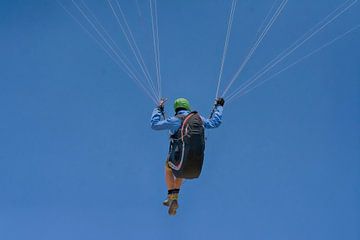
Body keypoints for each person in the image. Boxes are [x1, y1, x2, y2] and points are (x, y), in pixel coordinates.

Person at [150, 97, 225, 216]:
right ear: (188, 107)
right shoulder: (198, 119)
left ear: (176, 109)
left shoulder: (175, 120)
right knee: (181, 167)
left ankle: (171, 196)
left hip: (179, 160)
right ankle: (174, 196)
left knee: (168, 166)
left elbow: (154, 125)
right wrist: (219, 106)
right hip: (194, 165)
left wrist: (158, 109)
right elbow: (214, 123)